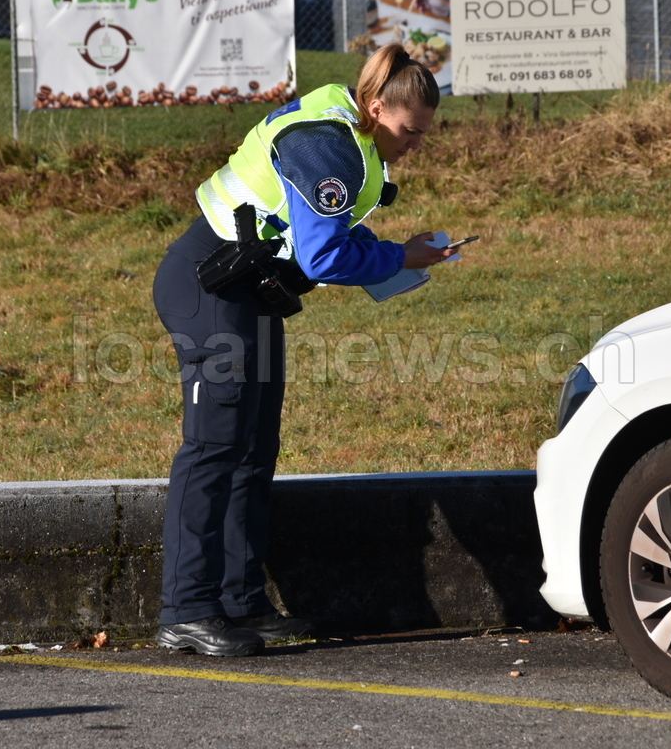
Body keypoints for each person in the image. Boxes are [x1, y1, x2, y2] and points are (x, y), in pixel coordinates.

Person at [151, 43, 455, 657]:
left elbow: (322, 230)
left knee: (253, 450)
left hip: (248, 291)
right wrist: (400, 256)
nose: (417, 144)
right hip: (209, 287)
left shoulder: (352, 136)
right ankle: (186, 610)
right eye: (410, 130)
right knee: (214, 448)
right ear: (378, 107)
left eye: (424, 132)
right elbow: (322, 257)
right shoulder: (329, 142)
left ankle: (241, 601)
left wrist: (393, 250)